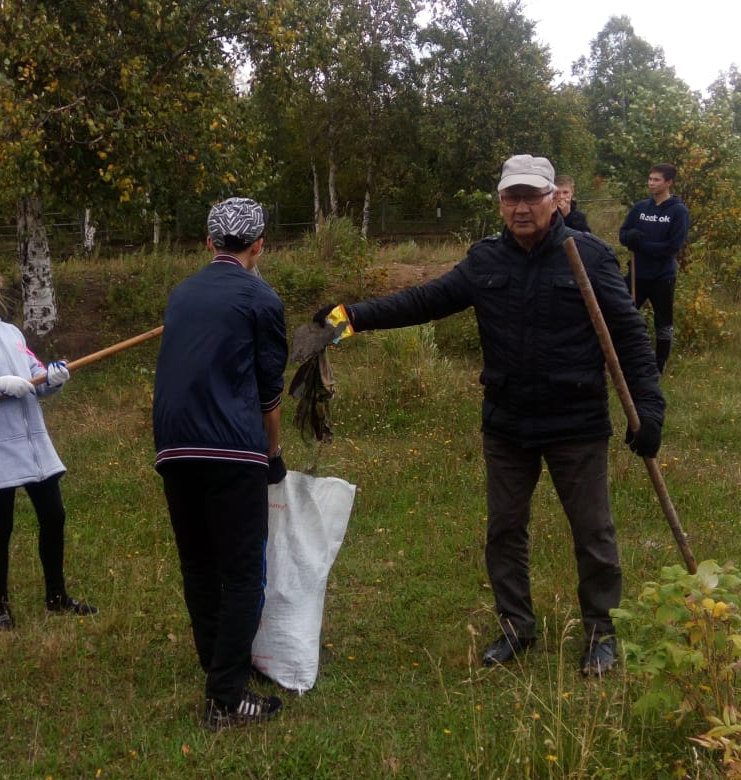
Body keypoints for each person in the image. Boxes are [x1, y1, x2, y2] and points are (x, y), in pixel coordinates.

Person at [314, 155, 665, 676]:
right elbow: (424, 301)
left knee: (593, 532)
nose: (521, 208)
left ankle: (600, 632)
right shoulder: (485, 261)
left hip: (576, 422)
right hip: (508, 423)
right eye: (511, 198)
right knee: (504, 530)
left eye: (531, 197)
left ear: (553, 199)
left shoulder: (587, 256)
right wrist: (353, 317)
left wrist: (650, 406)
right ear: (500, 203)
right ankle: (517, 627)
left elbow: (631, 337)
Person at [153, 197, 289, 729]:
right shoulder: (261, 297)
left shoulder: (181, 294)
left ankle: (217, 664)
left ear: (209, 243)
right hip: (233, 447)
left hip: (174, 447)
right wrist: (272, 455)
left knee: (198, 564)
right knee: (241, 574)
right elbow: (269, 392)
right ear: (259, 245)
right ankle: (226, 699)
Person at [0, 258, 96, 632]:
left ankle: (56, 598)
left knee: (54, 515)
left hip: (32, 442)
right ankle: (0, 608)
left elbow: (35, 379)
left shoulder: (11, 333)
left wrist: (52, 379)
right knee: (2, 523)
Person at [619, 163, 690, 374]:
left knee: (663, 322)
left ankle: (659, 365)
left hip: (662, 277)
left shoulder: (678, 211)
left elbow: (672, 247)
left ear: (669, 182)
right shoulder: (640, 208)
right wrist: (629, 239)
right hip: (637, 274)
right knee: (621, 314)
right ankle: (622, 358)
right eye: (650, 179)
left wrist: (642, 245)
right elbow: (623, 235)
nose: (651, 183)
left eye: (656, 179)